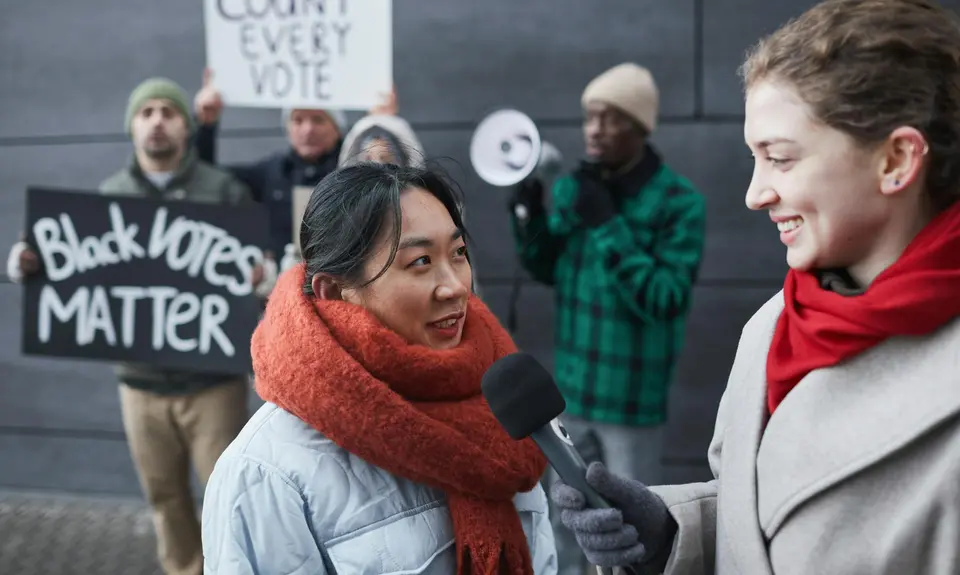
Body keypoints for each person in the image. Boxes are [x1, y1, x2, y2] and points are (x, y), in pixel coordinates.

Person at [549, 1, 960, 573]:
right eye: (753, 157)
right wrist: (673, 532)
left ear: (896, 159)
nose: (755, 193)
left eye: (781, 158)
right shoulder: (770, 328)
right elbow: (767, 515)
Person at [201, 163, 557, 574]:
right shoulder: (266, 472)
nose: (456, 285)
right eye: (420, 261)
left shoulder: (501, 408)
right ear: (335, 291)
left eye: (458, 253)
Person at [7, 78, 259, 575]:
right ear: (132, 127)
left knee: (225, 498)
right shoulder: (108, 197)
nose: (158, 120)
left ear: (187, 126)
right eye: (146, 112)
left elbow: (256, 268)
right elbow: (73, 270)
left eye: (169, 110)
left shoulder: (224, 190)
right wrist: (28, 264)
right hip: (138, 384)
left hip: (213, 385)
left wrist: (260, 273)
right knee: (163, 495)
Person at [509, 63, 705, 572]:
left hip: (630, 404)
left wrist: (608, 224)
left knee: (632, 535)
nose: (594, 129)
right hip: (572, 395)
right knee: (566, 522)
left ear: (639, 128)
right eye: (589, 116)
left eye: (610, 118)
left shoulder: (679, 202)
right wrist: (526, 214)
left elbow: (665, 298)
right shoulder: (579, 189)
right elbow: (546, 266)